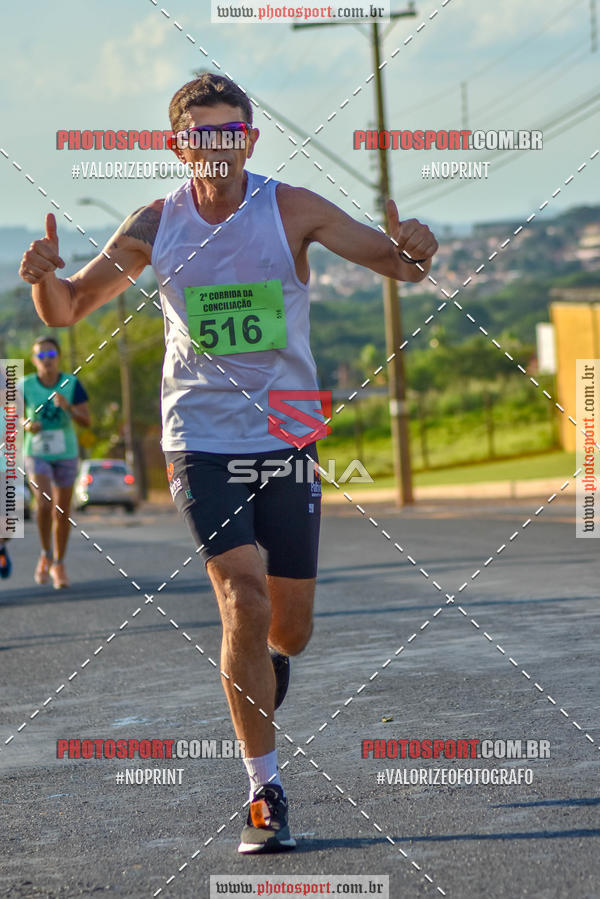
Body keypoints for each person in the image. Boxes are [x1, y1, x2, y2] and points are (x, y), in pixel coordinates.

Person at [19, 72, 438, 852]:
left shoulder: (294, 209)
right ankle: (264, 789)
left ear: (249, 139)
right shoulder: (155, 222)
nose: (217, 148)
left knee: (291, 627)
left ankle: (270, 664)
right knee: (240, 599)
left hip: (288, 427)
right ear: (180, 145)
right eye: (201, 136)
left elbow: (400, 265)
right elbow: (72, 307)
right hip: (199, 435)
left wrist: (417, 245)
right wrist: (45, 278)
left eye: (230, 134)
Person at [18, 337, 90, 589]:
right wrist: (27, 425)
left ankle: (59, 563)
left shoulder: (71, 383)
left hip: (66, 452)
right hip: (36, 452)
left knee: (63, 510)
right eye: (41, 356)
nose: (47, 361)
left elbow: (86, 421)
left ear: (58, 357)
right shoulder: (24, 385)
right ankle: (45, 554)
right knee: (45, 502)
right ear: (33, 359)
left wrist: (68, 407)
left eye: (51, 355)